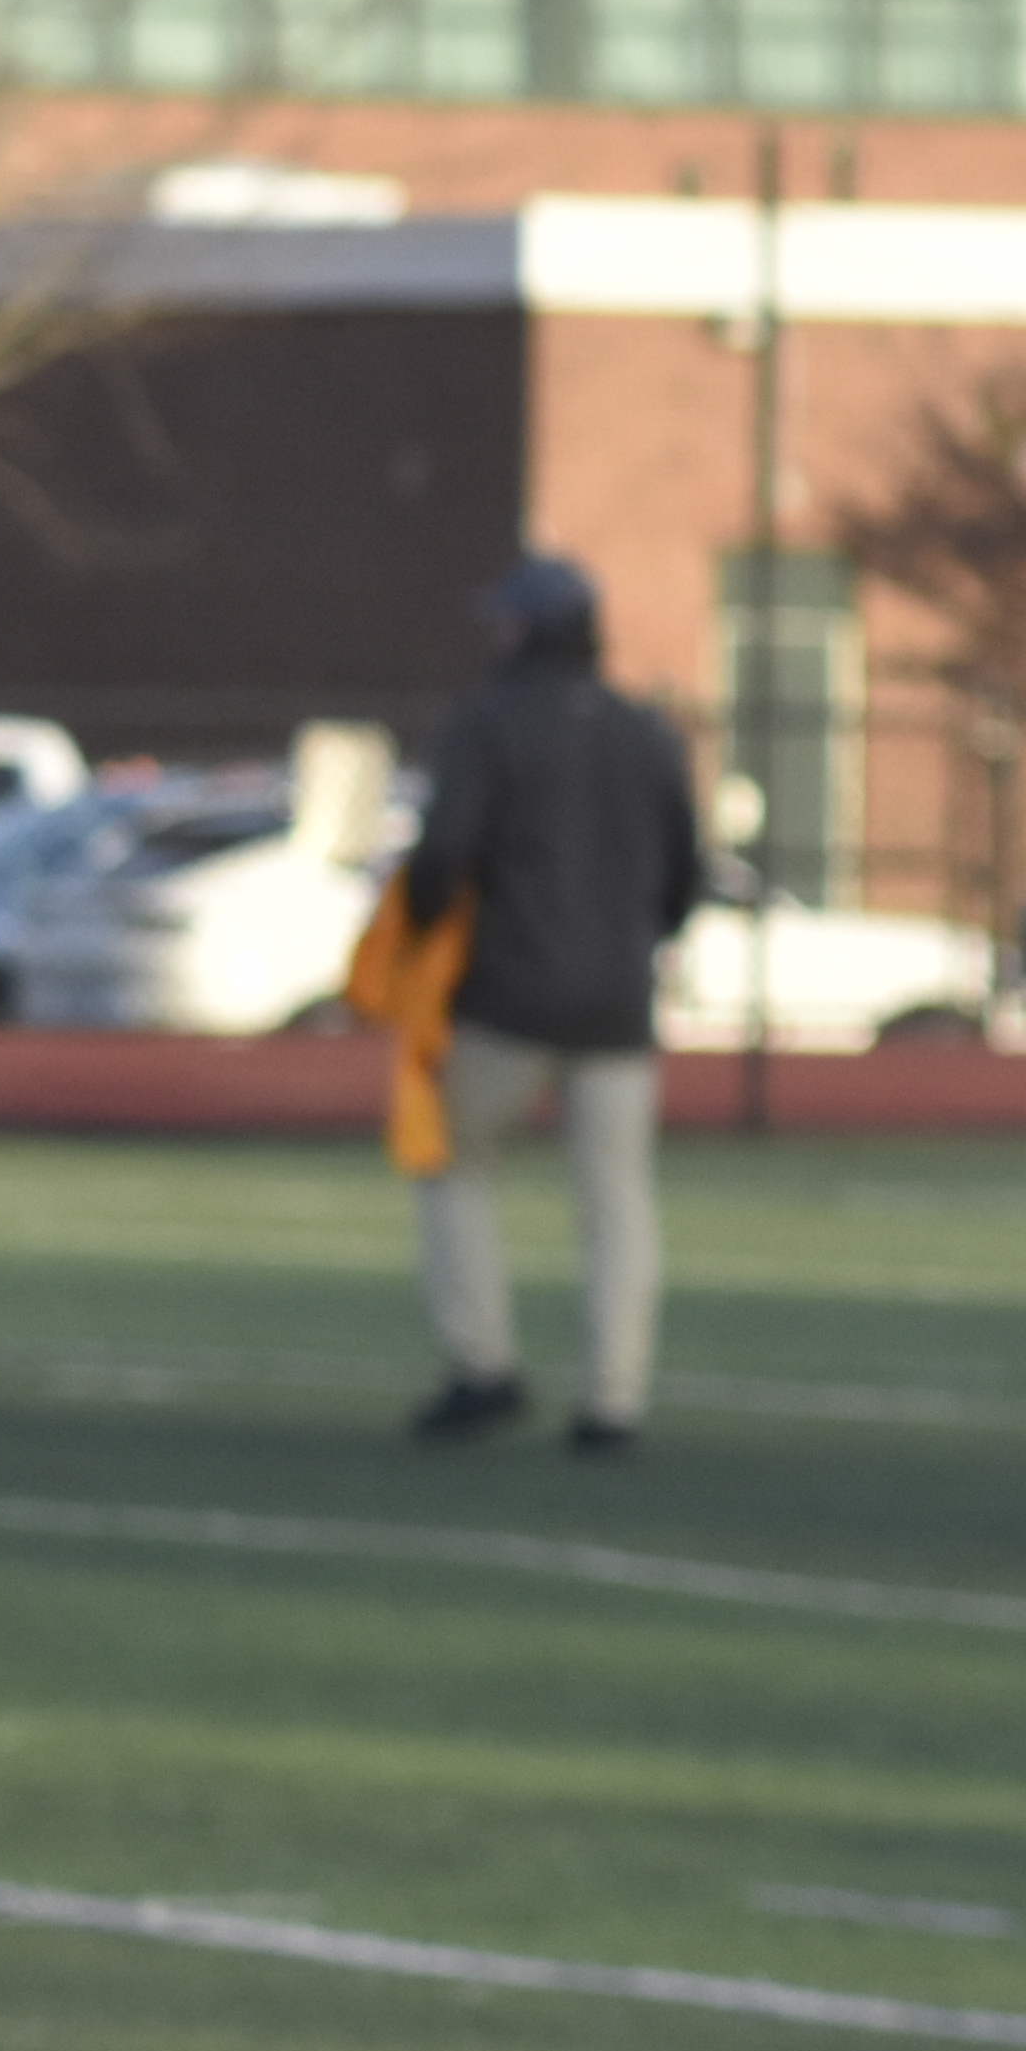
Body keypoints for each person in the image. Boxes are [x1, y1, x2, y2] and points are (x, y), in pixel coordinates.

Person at [399, 551, 698, 1455]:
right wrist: (644, 940)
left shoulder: (490, 725)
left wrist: (419, 940)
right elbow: (685, 869)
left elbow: (444, 852)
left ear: (526, 629)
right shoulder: (644, 730)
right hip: (617, 1002)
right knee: (617, 1203)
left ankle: (483, 1366)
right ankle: (614, 1399)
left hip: (509, 994)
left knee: (454, 1167)